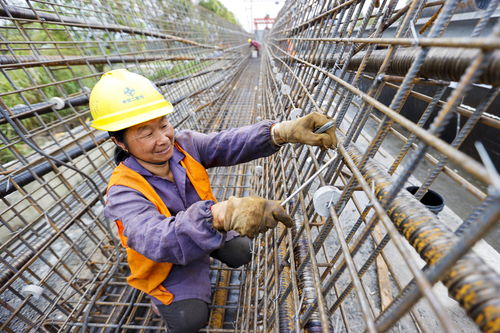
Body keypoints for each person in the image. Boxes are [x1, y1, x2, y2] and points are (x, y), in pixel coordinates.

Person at [89, 69, 336, 332]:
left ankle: (206, 253)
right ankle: (161, 298)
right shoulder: (122, 191)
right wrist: (220, 215)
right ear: (120, 142)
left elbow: (226, 143)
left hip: (204, 228)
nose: (163, 139)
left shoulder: (184, 146)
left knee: (243, 252)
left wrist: (279, 132)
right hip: (165, 262)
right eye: (146, 133)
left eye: (163, 125)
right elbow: (155, 238)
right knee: (189, 319)